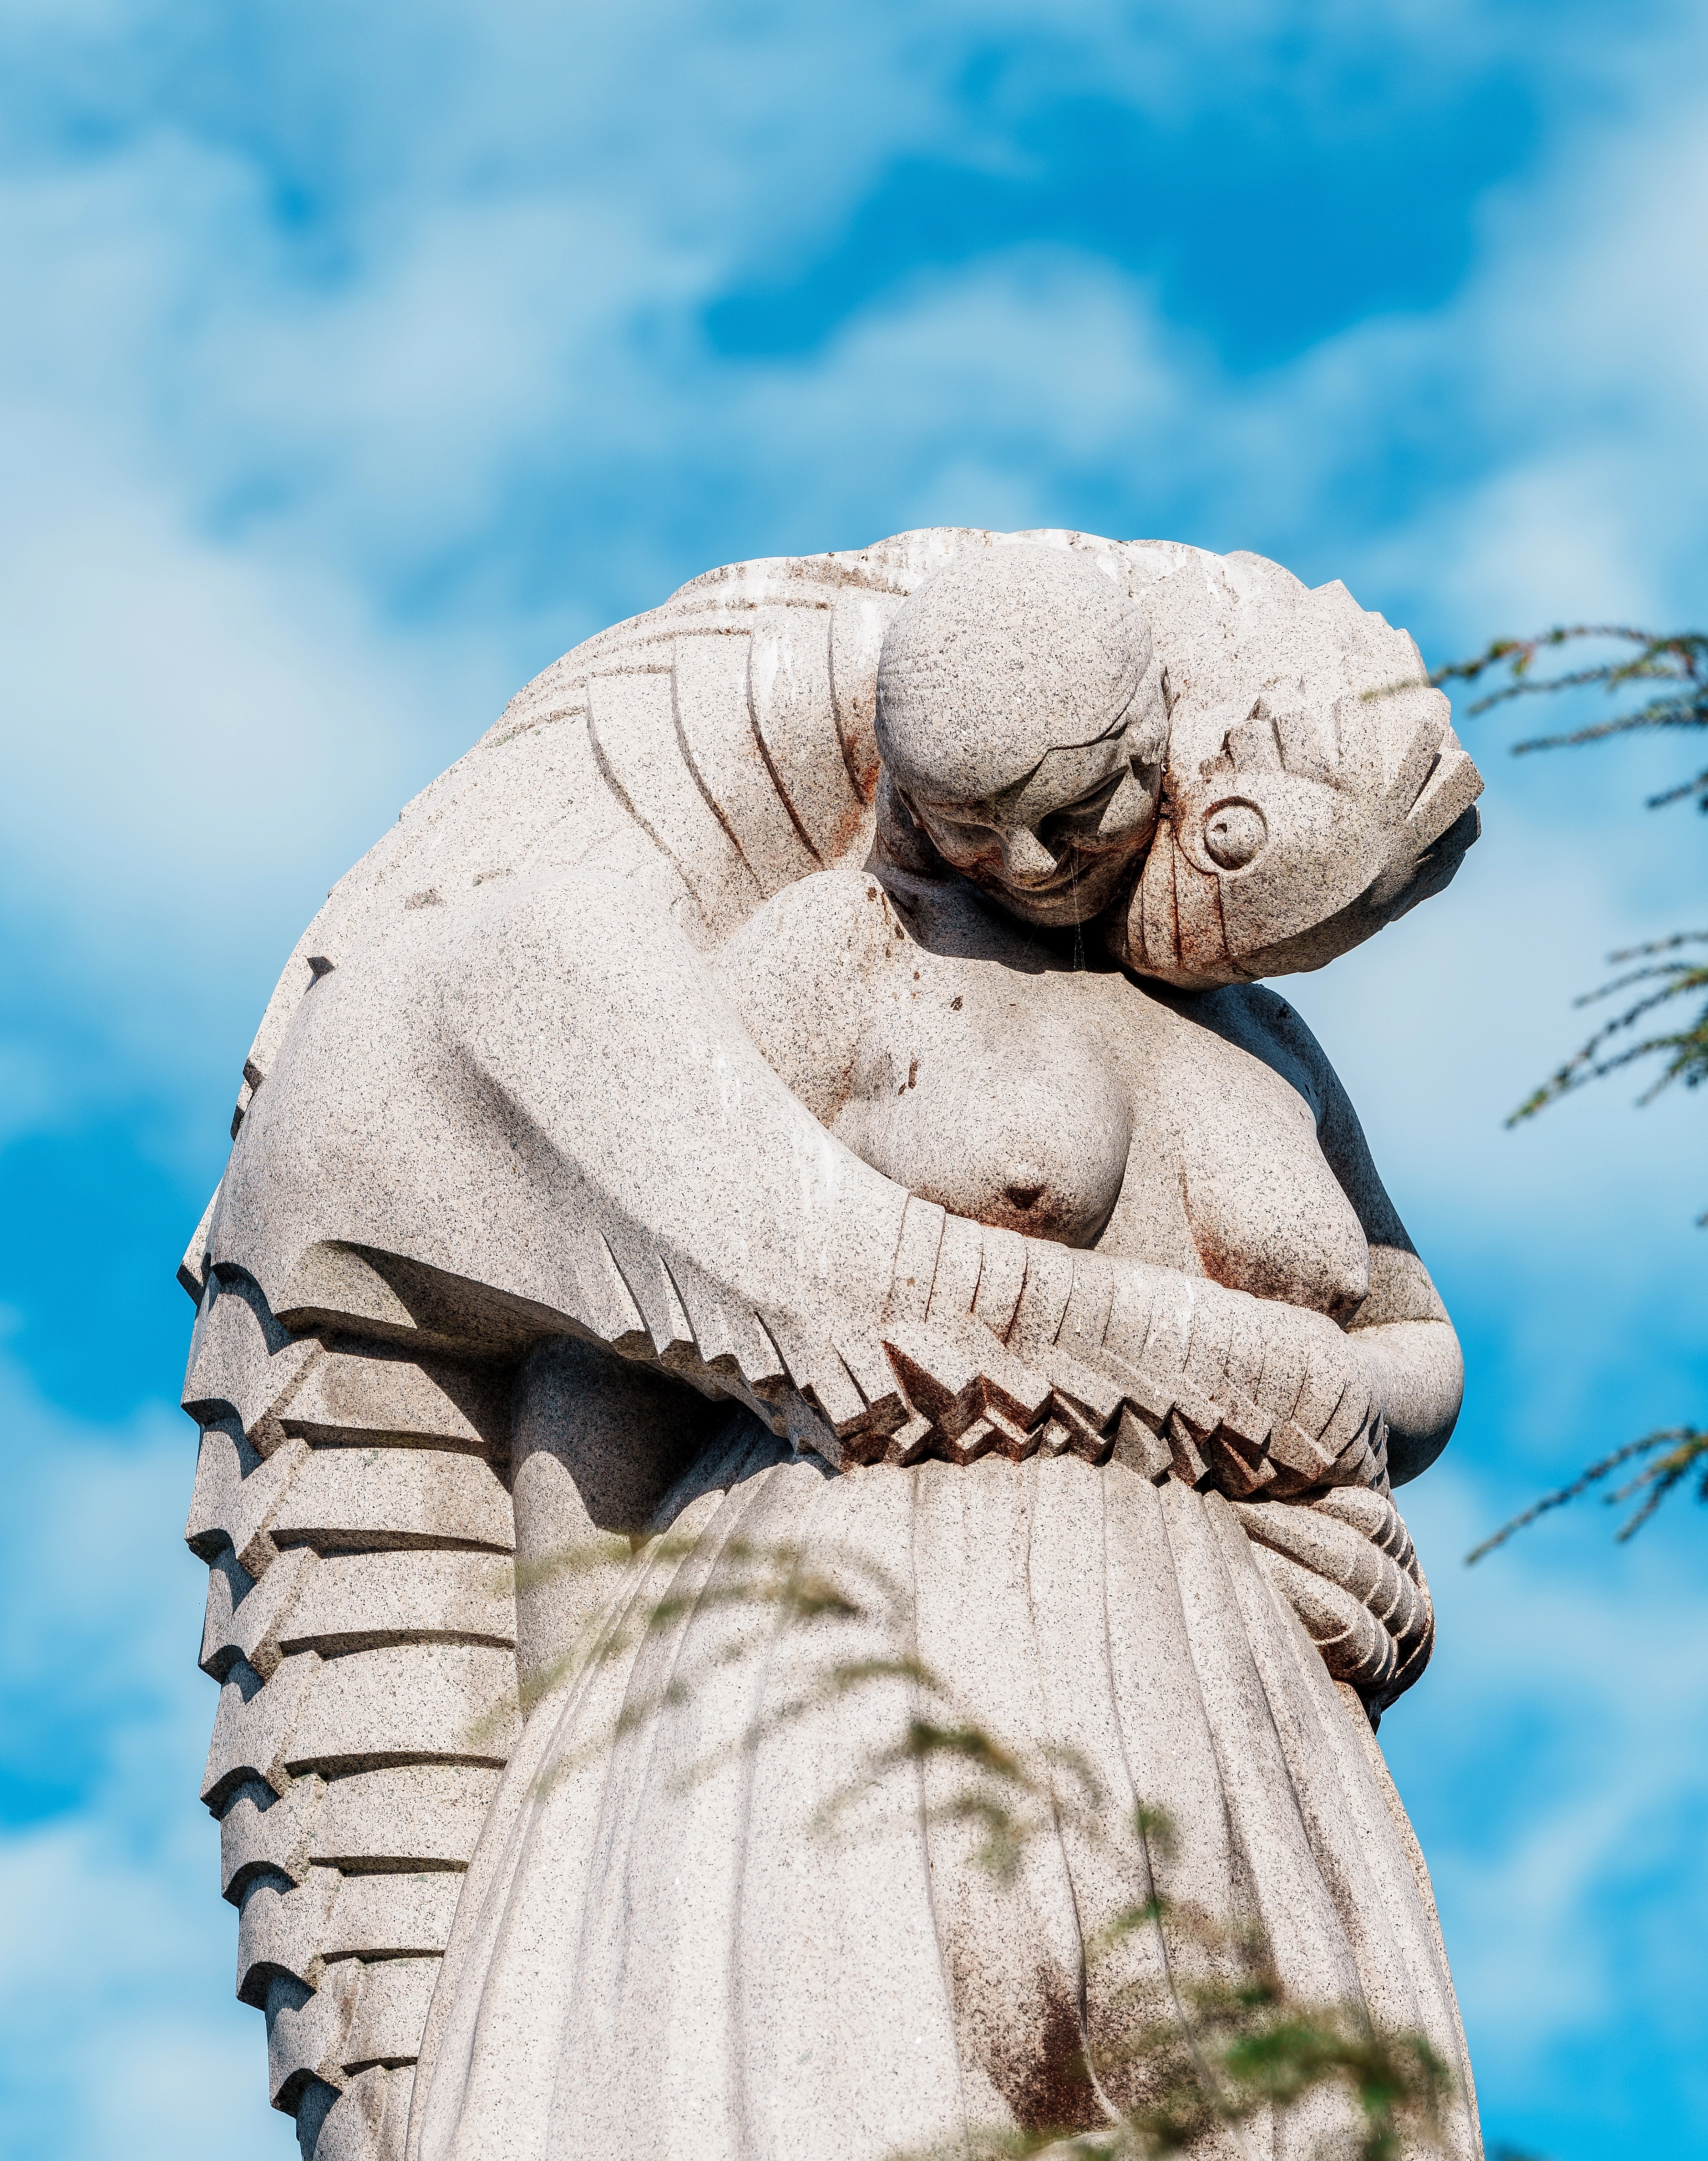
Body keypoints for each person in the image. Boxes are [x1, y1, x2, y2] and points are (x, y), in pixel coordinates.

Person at [405, 543, 1485, 2161]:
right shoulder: (839, 952)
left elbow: (1409, 1346)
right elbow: (616, 1341)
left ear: (1163, 745)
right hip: (862, 1589)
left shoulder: (1262, 1043)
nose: (1034, 860)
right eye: (978, 822)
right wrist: (575, 1743)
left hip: (1218, 1653)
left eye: (1082, 808)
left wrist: (1316, 1438)